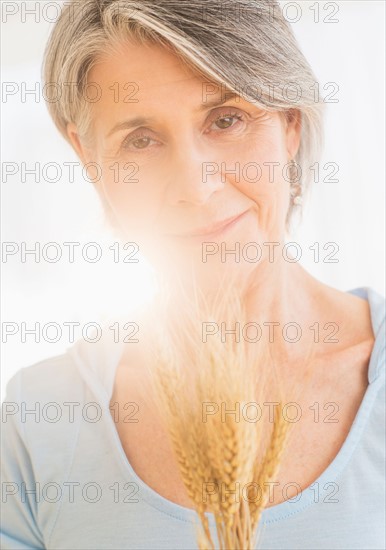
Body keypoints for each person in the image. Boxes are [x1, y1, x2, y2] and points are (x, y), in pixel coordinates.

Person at [1, 1, 385, 548]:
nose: (195, 186)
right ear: (89, 158)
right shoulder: (36, 425)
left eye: (226, 120)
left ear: (290, 123)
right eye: (141, 140)